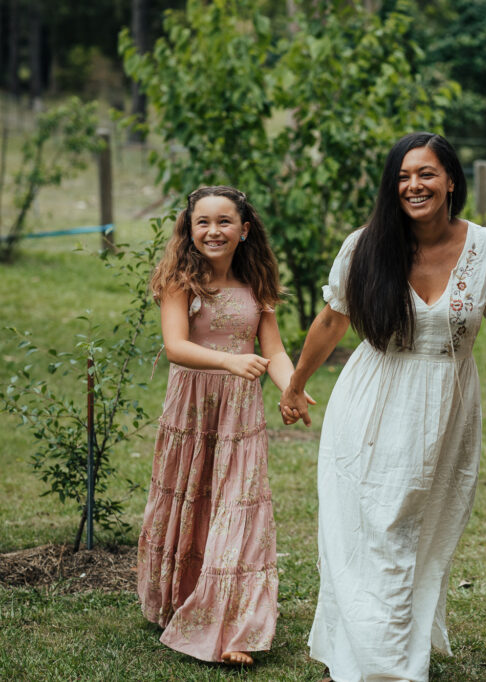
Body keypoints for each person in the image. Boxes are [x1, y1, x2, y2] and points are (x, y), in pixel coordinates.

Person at [278, 132, 486, 682]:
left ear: (452, 180)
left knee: (422, 536)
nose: (414, 185)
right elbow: (332, 321)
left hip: (446, 411)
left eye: (426, 173)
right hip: (372, 405)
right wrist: (295, 384)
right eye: (403, 176)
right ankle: (383, 666)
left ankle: (386, 643)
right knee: (378, 531)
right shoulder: (366, 246)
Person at [137, 185, 305, 665]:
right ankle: (182, 597)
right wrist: (230, 363)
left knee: (239, 508)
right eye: (203, 222)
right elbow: (175, 346)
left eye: (224, 222)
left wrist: (291, 386)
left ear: (244, 229)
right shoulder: (179, 280)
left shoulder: (256, 284)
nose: (213, 231)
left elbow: (272, 349)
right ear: (189, 231)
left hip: (240, 415)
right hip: (192, 409)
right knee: (192, 499)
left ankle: (233, 627)